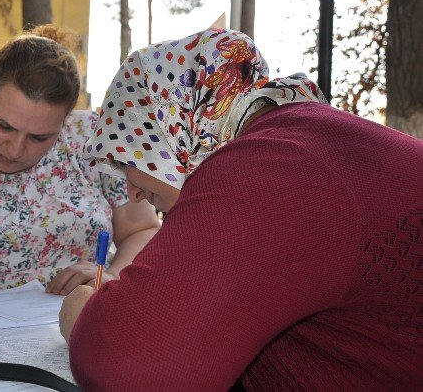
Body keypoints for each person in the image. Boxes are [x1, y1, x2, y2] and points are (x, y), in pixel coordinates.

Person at [59, 28, 423, 391]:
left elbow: (134, 367)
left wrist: (83, 318)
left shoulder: (265, 169)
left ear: (172, 134)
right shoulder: (308, 137)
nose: (132, 191)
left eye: (127, 157)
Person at [0, 25, 160, 293]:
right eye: (4, 126)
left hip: (84, 321)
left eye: (39, 138)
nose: (14, 150)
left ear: (66, 121)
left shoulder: (90, 140)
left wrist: (112, 276)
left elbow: (142, 229)